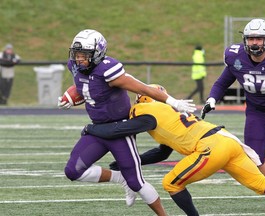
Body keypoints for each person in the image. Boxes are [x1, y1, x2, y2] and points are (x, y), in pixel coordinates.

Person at [81, 84, 265, 216]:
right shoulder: (167, 111)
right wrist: (136, 161)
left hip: (210, 147)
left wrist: (92, 128)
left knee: (171, 183)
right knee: (262, 183)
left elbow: (119, 129)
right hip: (226, 140)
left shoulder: (147, 111)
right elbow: (163, 152)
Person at [58, 29, 196, 216]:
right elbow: (85, 87)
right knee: (73, 170)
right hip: (98, 130)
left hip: (120, 129)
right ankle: (118, 177)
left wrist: (174, 102)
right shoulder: (75, 66)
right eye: (77, 54)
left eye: (84, 55)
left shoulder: (108, 70)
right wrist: (70, 97)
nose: (79, 59)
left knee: (136, 182)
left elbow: (143, 88)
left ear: (97, 54)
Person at [200, 18, 265, 212]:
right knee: (254, 157)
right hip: (257, 113)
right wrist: (212, 99)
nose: (254, 42)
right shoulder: (235, 56)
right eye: (250, 38)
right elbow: (223, 82)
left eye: (259, 38)